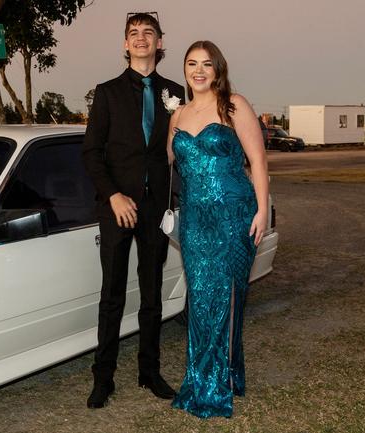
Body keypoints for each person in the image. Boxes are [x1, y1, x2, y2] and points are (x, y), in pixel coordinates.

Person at [82, 12, 185, 409]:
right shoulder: (106, 93)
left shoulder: (174, 92)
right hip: (117, 208)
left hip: (156, 208)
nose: (141, 39)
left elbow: (178, 151)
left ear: (160, 42)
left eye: (149, 33)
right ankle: (103, 377)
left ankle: (149, 371)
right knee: (111, 295)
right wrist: (113, 195)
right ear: (125, 45)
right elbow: (91, 153)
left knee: (152, 293)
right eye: (133, 33)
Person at [167, 40, 269, 418]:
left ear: (217, 69)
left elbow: (258, 161)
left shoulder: (234, 105)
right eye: (192, 63)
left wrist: (261, 210)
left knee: (226, 297)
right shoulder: (177, 116)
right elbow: (165, 162)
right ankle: (206, 377)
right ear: (185, 70)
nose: (198, 70)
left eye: (206, 64)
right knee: (200, 297)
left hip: (234, 215)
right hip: (194, 220)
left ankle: (215, 385)